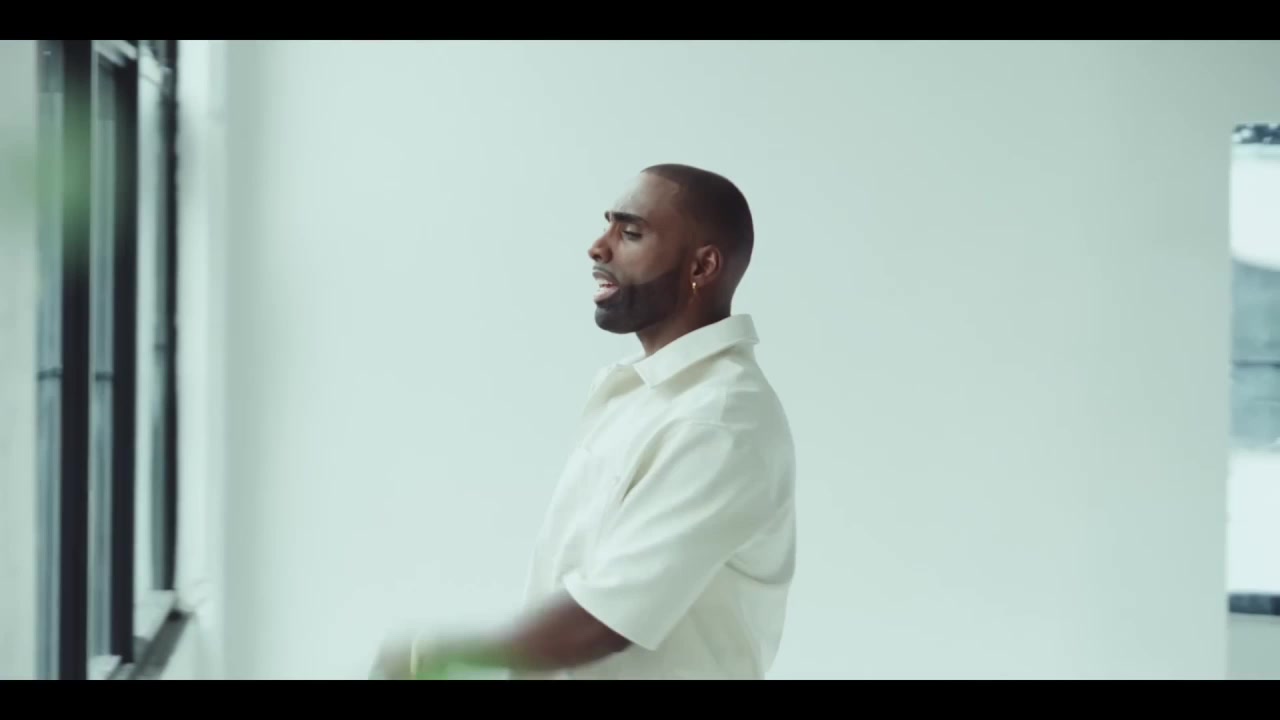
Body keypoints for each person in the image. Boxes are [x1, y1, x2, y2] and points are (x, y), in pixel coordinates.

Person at [371, 164, 796, 680]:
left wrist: (436, 657)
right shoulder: (641, 394)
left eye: (630, 233)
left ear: (702, 266)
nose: (598, 248)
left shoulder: (720, 420)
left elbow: (606, 620)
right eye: (607, 226)